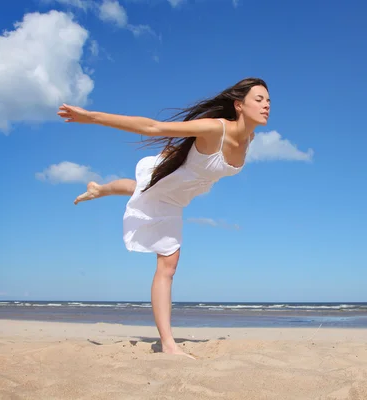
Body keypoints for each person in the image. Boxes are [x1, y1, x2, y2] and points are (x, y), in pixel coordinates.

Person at [57, 78, 270, 359]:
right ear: (238, 105)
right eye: (259, 99)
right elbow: (153, 127)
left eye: (268, 100)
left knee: (141, 191)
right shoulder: (215, 128)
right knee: (167, 263)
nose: (266, 105)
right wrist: (92, 117)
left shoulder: (250, 138)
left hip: (180, 194)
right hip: (170, 185)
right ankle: (168, 344)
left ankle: (99, 189)